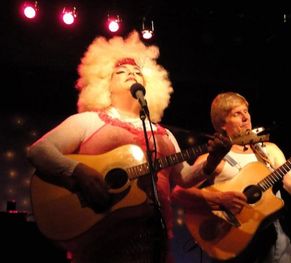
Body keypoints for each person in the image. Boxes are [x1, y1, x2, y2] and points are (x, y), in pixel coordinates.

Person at [26, 30, 224, 263]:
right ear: (105, 85)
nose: (131, 73)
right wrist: (78, 170)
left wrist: (213, 159)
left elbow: (183, 178)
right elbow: (38, 151)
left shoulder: (164, 134)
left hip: (154, 242)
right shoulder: (89, 121)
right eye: (120, 72)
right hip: (101, 242)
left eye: (137, 71)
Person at [171, 92, 291, 263]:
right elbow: (179, 192)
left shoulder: (270, 150)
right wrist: (219, 198)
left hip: (274, 240)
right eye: (237, 114)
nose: (245, 117)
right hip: (233, 240)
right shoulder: (215, 157)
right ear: (223, 124)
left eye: (246, 111)